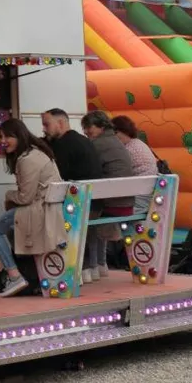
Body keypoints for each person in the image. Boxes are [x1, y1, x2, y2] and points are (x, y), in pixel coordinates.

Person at [0, 118, 61, 298]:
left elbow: (25, 197)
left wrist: (8, 195)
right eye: (1, 137)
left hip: (37, 210)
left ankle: (14, 275)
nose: (3, 141)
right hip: (48, 209)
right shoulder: (38, 152)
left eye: (7, 137)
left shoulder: (27, 159)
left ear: (19, 136)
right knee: (11, 228)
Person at [40, 108, 104, 281]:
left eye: (47, 125)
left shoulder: (63, 146)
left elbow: (58, 177)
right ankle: (91, 268)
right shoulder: (83, 141)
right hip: (95, 204)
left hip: (79, 205)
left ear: (60, 123)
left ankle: (72, 270)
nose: (44, 129)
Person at [83, 110, 135, 280]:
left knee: (88, 218)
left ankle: (92, 267)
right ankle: (101, 264)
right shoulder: (115, 140)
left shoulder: (97, 144)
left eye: (88, 127)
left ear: (100, 126)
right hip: (126, 202)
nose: (86, 131)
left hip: (113, 203)